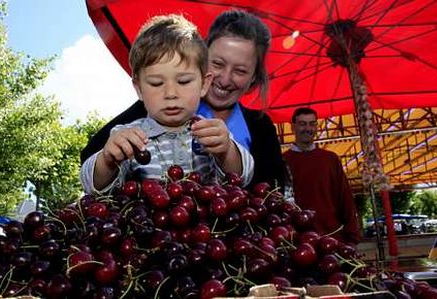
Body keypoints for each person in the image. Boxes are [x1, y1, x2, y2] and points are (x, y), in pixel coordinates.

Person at [80, 10, 286, 192]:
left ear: (204, 83)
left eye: (184, 81)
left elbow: (243, 178)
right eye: (156, 83)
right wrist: (106, 160)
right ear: (139, 89)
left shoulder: (214, 131)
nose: (171, 93)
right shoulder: (128, 136)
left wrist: (227, 152)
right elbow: (93, 186)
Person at [282, 107, 361, 244]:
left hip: (332, 237)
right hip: (298, 242)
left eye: (312, 124)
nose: (308, 128)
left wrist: (352, 237)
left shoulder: (330, 159)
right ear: (292, 127)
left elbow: (345, 198)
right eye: (302, 124)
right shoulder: (282, 162)